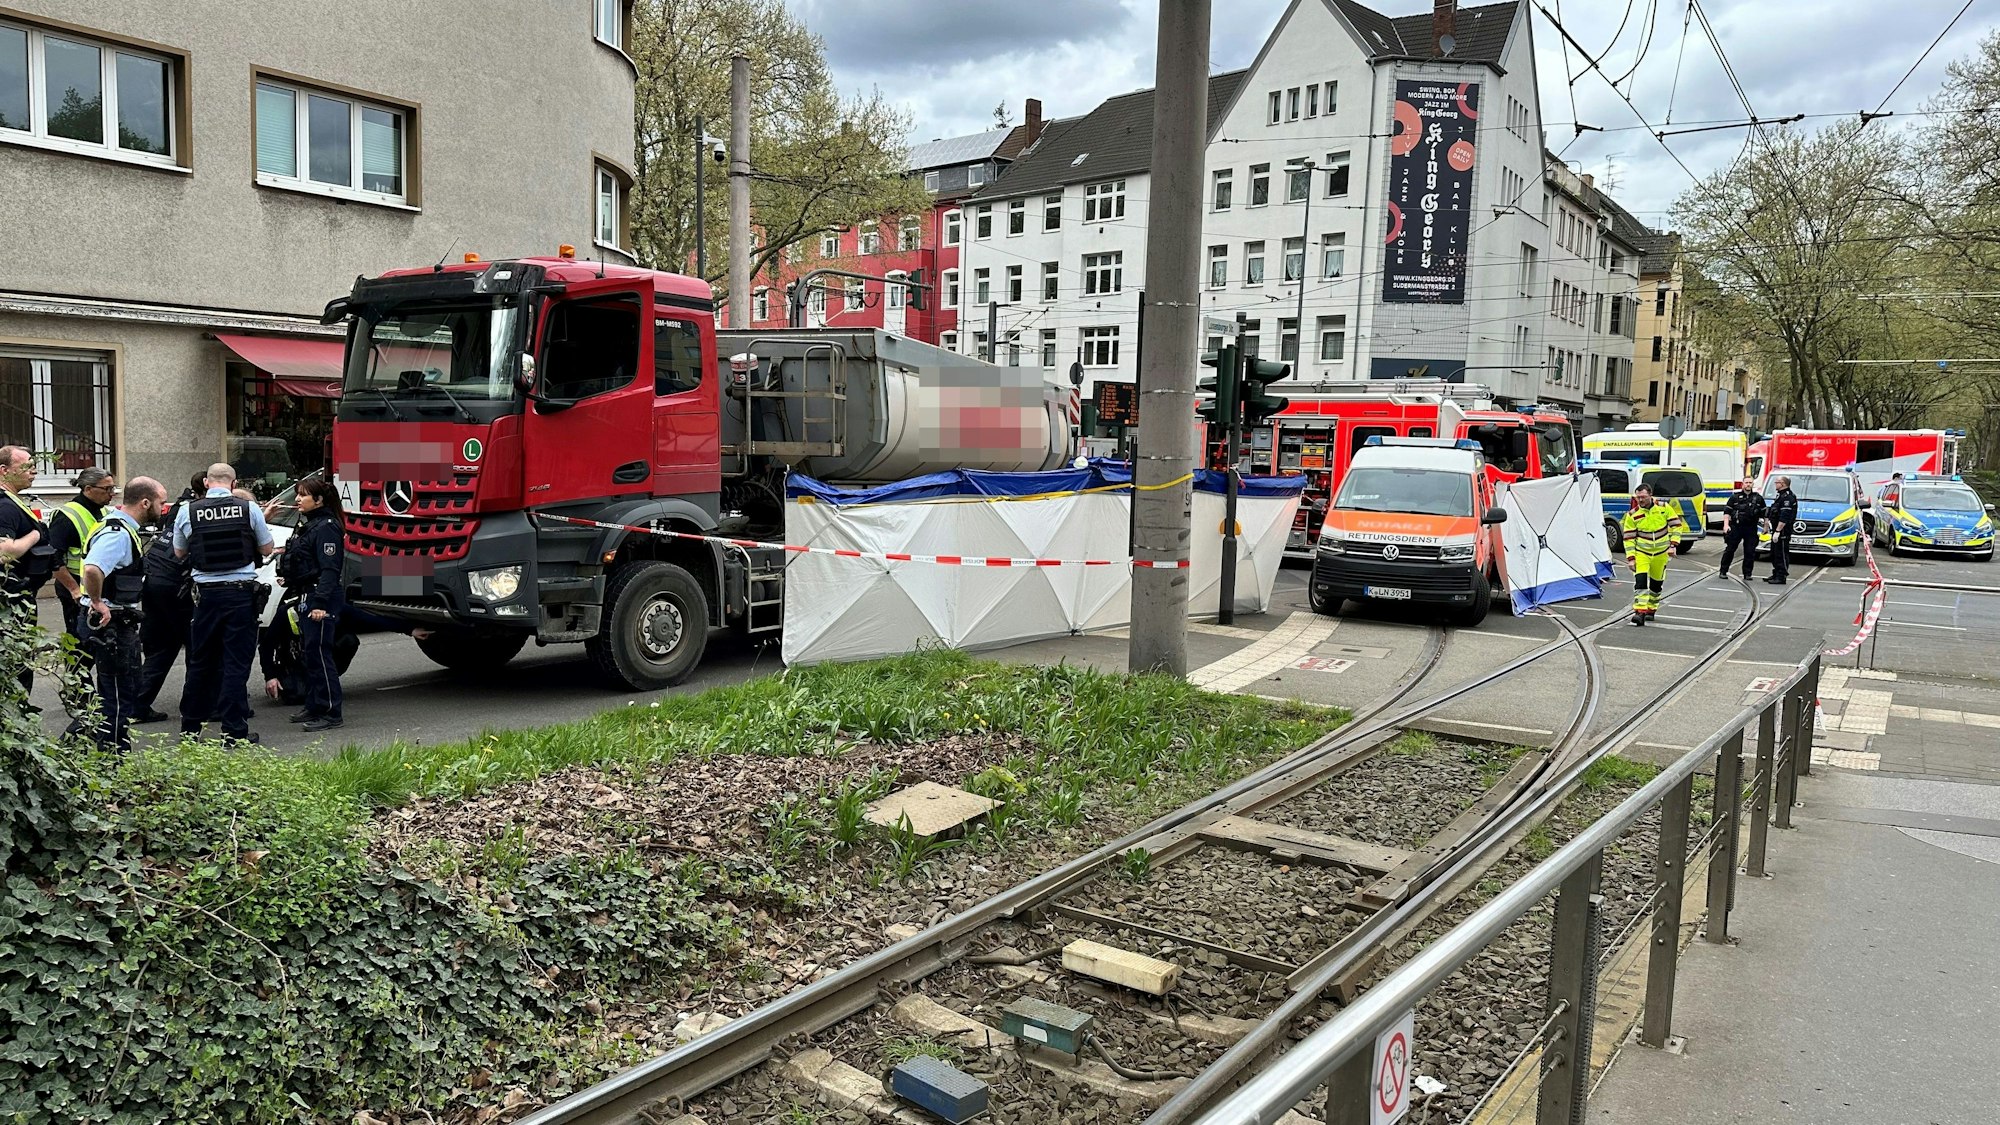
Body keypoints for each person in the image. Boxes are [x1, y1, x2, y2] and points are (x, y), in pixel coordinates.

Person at [173, 463, 276, 744]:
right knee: (235, 664)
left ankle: (190, 730)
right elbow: (267, 548)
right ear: (233, 483)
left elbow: (180, 552)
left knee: (200, 662)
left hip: (205, 597)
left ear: (206, 482)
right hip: (240, 595)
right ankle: (233, 732)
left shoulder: (188, 511)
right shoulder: (248, 508)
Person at [76, 477, 165, 753]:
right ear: (145, 502)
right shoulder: (117, 532)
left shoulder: (120, 524)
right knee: (117, 693)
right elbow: (92, 569)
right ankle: (111, 758)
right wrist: (97, 601)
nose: (164, 508)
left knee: (118, 688)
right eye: (161, 503)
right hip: (109, 623)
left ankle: (79, 747)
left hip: (112, 620)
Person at [273, 477, 346, 731]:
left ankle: (330, 712)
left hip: (320, 598)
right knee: (310, 655)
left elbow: (329, 570)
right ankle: (315, 705)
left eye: (302, 495)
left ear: (319, 500)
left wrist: (321, 604)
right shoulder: (311, 525)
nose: (297, 500)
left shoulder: (326, 527)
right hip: (307, 594)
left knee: (321, 656)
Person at [132, 472, 205, 723]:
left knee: (163, 649)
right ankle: (195, 708)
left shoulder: (181, 510)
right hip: (177, 588)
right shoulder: (202, 514)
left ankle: (138, 704)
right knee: (197, 649)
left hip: (155, 582)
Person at [47, 466, 115, 667]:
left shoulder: (101, 511)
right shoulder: (67, 516)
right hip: (75, 589)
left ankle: (83, 691)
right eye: (107, 489)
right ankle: (74, 693)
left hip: (95, 587)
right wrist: (74, 590)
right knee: (79, 644)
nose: (111, 494)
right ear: (87, 489)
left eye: (113, 489)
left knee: (96, 642)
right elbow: (54, 559)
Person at [0, 445, 53, 700]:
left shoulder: (13, 502)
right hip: (11, 602)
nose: (33, 471)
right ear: (4, 471)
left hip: (18, 597)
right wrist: (35, 533)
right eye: (26, 467)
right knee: (16, 667)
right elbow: (4, 552)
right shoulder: (5, 507)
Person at [1622, 484, 1686, 626]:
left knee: (1656, 585)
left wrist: (1673, 545)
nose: (1640, 500)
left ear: (1651, 495)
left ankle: (1651, 608)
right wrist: (1631, 559)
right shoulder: (1632, 515)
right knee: (1641, 582)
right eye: (1638, 497)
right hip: (1642, 553)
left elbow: (1677, 526)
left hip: (1661, 553)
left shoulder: (1664, 508)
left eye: (1643, 497)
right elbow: (1628, 539)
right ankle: (1639, 612)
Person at [1716, 479, 1767, 581]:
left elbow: (1765, 514)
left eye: (1750, 483)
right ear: (1743, 484)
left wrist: (1766, 527)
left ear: (1753, 484)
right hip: (1736, 527)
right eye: (1746, 482)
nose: (1748, 484)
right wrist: (1726, 526)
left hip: (1751, 528)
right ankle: (1723, 571)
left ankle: (1747, 574)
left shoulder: (1758, 498)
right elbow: (1727, 512)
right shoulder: (1734, 497)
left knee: (1750, 551)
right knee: (1730, 549)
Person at [1765, 476, 1798, 586]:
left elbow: (1784, 516)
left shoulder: (1787, 498)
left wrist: (1778, 531)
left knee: (1781, 554)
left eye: (1777, 482)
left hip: (1783, 531)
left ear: (1783, 484)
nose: (1775, 484)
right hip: (1776, 529)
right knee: (1774, 553)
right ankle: (1776, 573)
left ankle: (1781, 576)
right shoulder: (1780, 496)